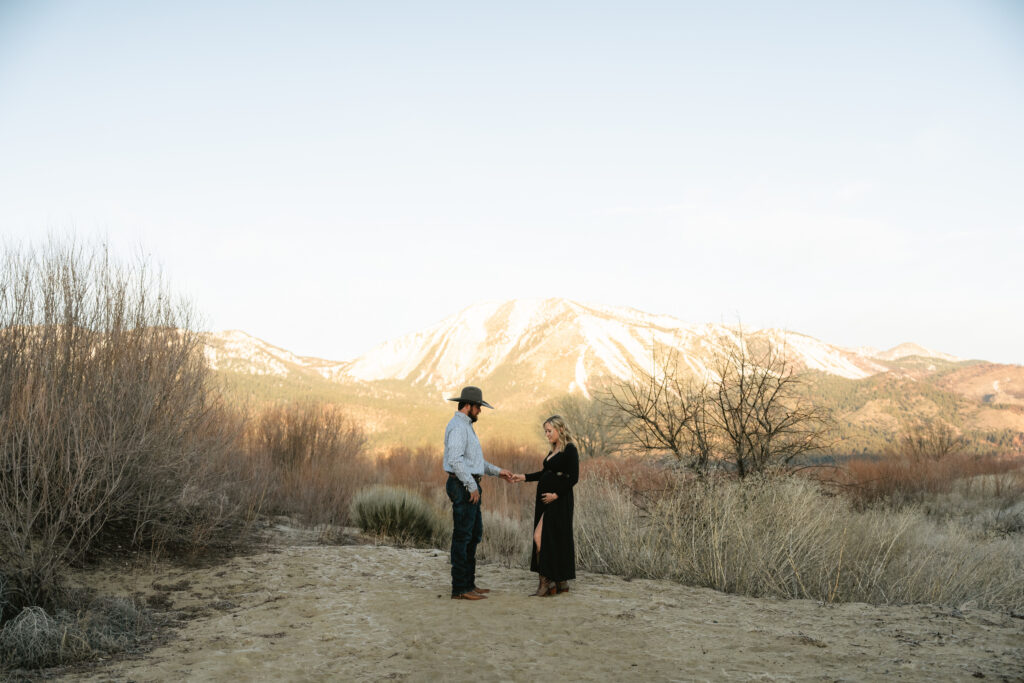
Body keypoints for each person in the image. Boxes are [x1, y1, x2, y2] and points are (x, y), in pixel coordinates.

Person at [443, 386, 513, 601]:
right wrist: (471, 486)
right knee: (463, 537)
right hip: (463, 486)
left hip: (468, 484)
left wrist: (498, 472)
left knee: (473, 536)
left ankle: (469, 584)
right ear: (468, 406)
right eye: (478, 407)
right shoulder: (458, 427)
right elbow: (455, 460)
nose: (480, 411)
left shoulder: (466, 426)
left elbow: (474, 463)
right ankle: (460, 589)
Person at [511, 415, 579, 596]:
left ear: (560, 429)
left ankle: (545, 584)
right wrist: (523, 477)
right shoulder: (553, 450)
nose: (547, 434)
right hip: (545, 502)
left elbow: (574, 477)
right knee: (551, 540)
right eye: (545, 431)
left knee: (539, 537)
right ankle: (560, 583)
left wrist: (556, 495)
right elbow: (544, 473)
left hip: (559, 501)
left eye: (549, 431)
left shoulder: (570, 449)